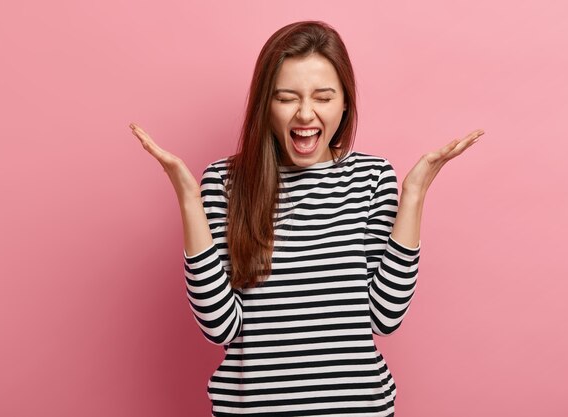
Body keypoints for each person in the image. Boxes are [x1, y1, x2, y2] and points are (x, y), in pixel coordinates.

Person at [129, 20, 484, 417]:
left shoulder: (371, 179)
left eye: (323, 97)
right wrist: (190, 202)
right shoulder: (224, 183)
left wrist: (414, 195)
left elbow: (385, 316)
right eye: (286, 97)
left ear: (345, 103)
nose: (305, 113)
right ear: (266, 103)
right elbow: (220, 327)